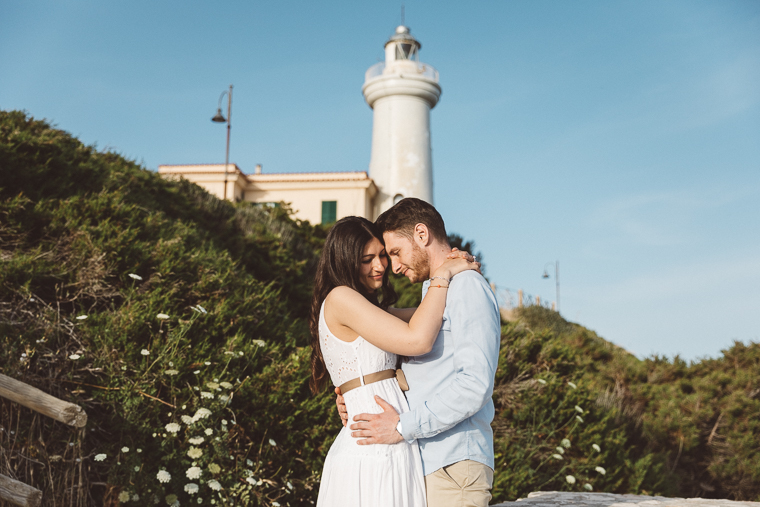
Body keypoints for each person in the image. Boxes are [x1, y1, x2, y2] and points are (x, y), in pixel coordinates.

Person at [310, 216, 480, 507]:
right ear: (345, 261)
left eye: (382, 255)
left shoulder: (370, 309)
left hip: (393, 442)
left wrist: (451, 270)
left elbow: (431, 315)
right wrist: (443, 274)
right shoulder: (340, 298)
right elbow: (418, 340)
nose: (379, 266)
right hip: (373, 448)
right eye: (367, 259)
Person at [341, 198, 501, 507]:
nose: (395, 266)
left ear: (422, 234)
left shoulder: (466, 286)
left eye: (396, 252)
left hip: (454, 466)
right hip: (426, 463)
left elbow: (475, 384)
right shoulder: (437, 292)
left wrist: (402, 426)